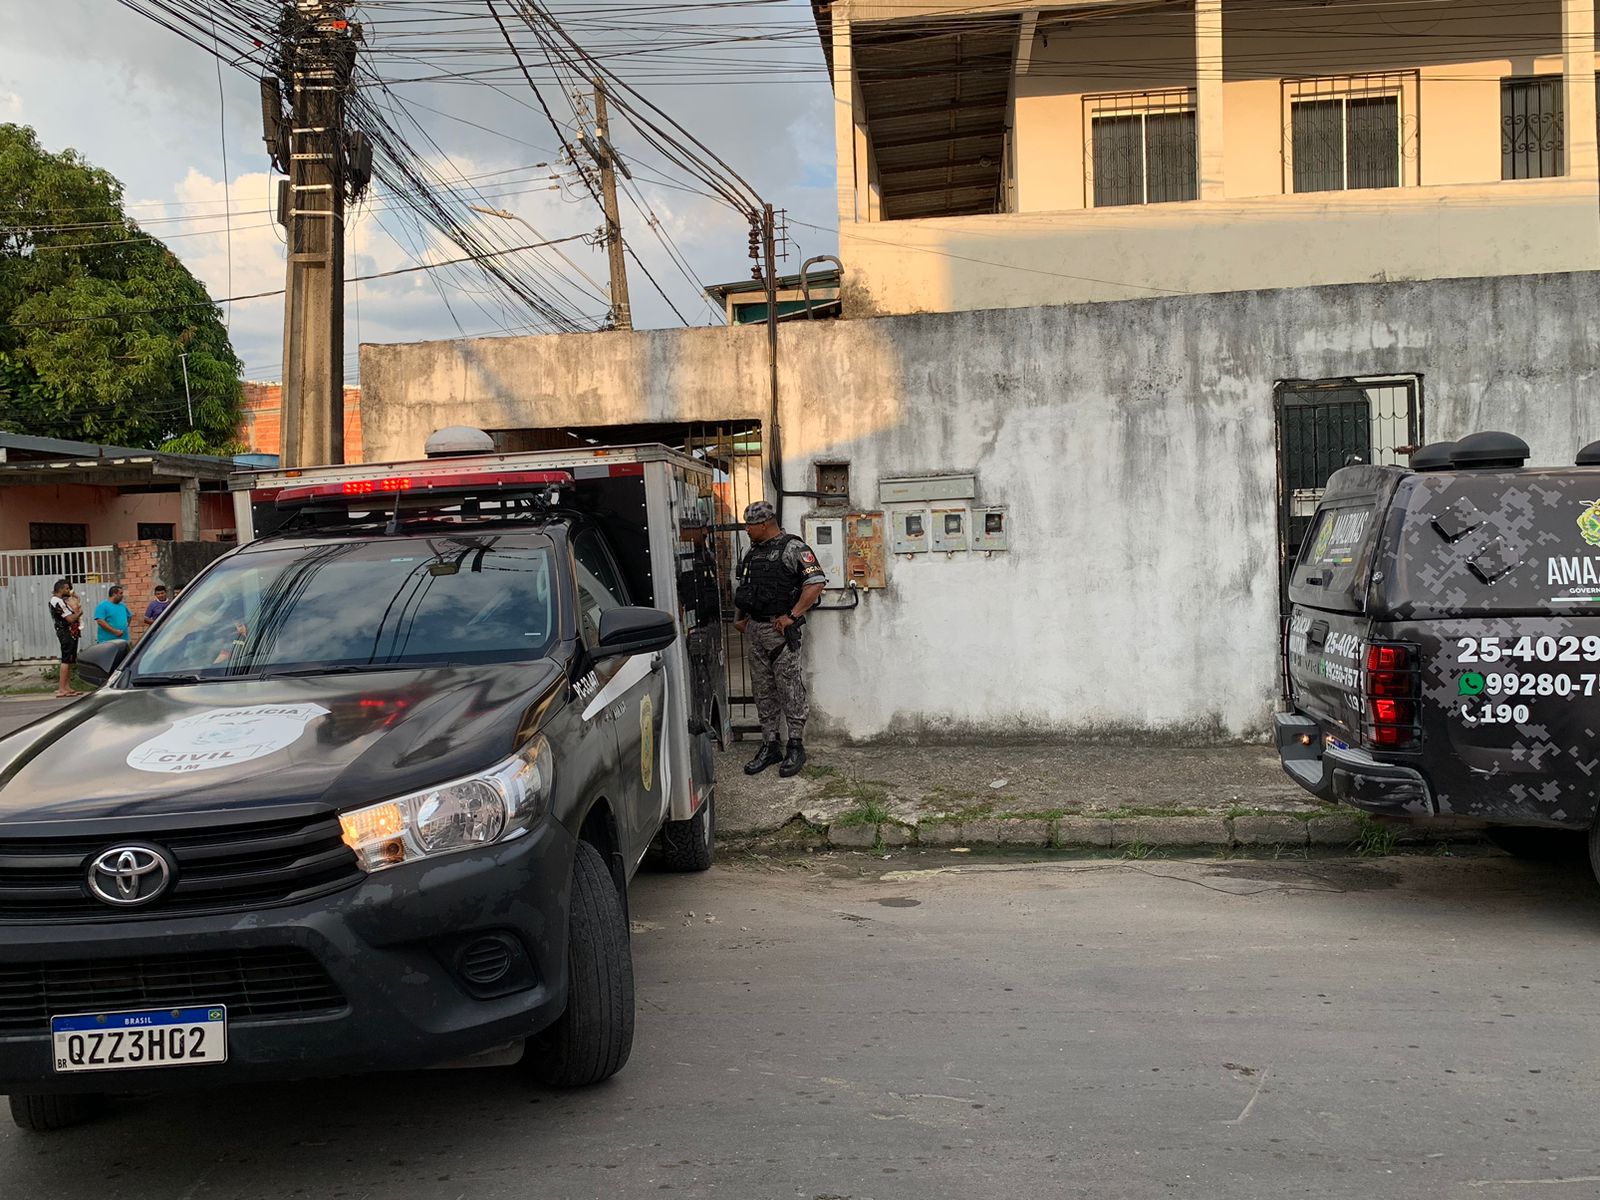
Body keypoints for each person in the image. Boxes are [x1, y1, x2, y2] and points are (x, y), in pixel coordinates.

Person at [733, 500, 827, 777]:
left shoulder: (793, 548)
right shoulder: (752, 552)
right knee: (763, 691)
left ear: (764, 524)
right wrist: (740, 618)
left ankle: (795, 745)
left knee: (790, 690)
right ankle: (770, 744)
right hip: (756, 631)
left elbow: (816, 582)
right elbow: (745, 587)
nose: (747, 530)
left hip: (780, 633)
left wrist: (791, 615)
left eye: (750, 525)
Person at [47, 579, 83, 698]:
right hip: (65, 631)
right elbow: (70, 618)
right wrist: (79, 614)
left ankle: (67, 687)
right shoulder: (56, 601)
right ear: (61, 589)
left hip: (71, 631)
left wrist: (76, 601)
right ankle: (62, 688)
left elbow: (73, 610)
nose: (69, 590)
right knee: (66, 659)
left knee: (70, 659)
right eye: (67, 588)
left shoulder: (62, 601)